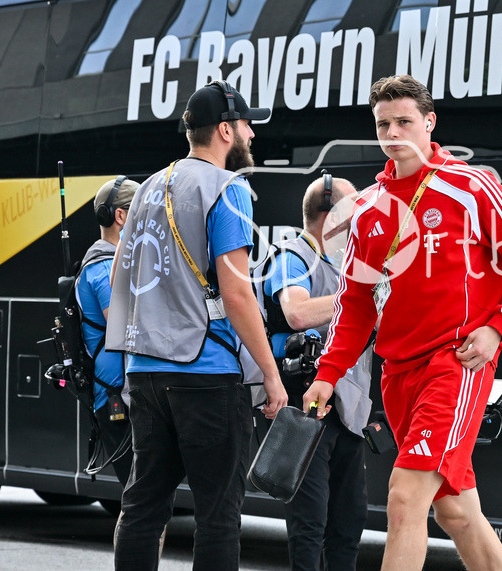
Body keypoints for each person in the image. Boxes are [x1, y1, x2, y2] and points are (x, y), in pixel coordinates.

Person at [303, 74, 502, 570]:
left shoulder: (470, 185)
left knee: (403, 497)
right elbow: (354, 302)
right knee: (456, 511)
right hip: (397, 374)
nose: (393, 133)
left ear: (429, 123)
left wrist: (498, 327)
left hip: (455, 364)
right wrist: (327, 375)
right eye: (383, 124)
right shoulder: (368, 209)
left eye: (404, 122)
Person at [106, 80, 287, 570]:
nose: (253, 134)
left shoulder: (146, 189)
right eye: (248, 125)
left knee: (143, 506)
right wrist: (270, 374)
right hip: (206, 376)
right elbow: (236, 292)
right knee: (217, 515)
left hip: (145, 372)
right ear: (226, 130)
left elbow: (122, 277)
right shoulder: (228, 190)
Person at [255, 174, 372, 571]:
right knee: (311, 522)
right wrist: (360, 300)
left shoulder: (345, 264)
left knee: (349, 521)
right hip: (307, 408)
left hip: (348, 411)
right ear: (331, 216)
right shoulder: (292, 254)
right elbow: (297, 312)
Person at [75, 175, 141, 489]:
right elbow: (124, 322)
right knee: (138, 498)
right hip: (117, 396)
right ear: (121, 216)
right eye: (141, 212)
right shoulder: (102, 267)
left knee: (145, 498)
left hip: (127, 394)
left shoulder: (117, 261)